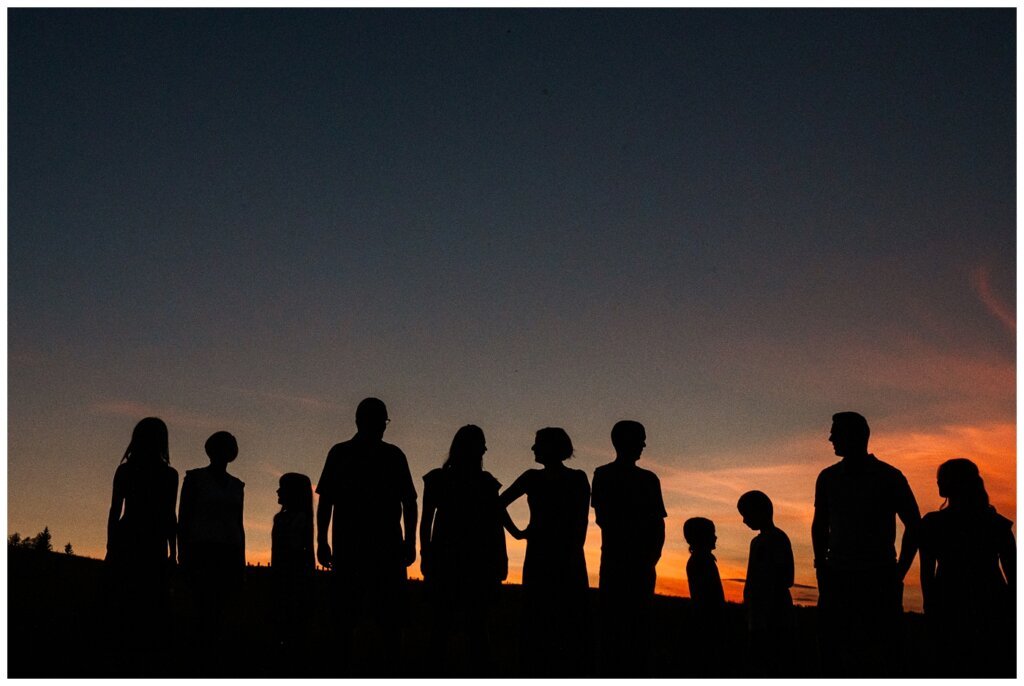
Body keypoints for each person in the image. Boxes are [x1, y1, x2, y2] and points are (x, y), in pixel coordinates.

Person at [812, 411, 920, 677]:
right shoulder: (827, 477)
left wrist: (898, 573)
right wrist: (821, 566)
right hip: (839, 576)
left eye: (835, 433)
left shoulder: (889, 476)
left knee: (881, 655)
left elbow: (915, 526)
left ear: (855, 436)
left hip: (878, 577)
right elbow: (819, 524)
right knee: (834, 653)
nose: (830, 438)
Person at [315, 398, 418, 673]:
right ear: (362, 421)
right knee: (350, 620)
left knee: (385, 621)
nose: (382, 427)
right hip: (357, 551)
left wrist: (410, 541)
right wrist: (321, 540)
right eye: (380, 421)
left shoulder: (391, 456)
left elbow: (409, 501)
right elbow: (326, 501)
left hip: (379, 551)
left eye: (383, 422)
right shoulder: (343, 454)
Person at [500, 427, 591, 676]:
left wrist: (519, 533)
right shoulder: (575, 479)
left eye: (537, 443)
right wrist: (517, 533)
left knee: (550, 619)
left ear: (552, 447)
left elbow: (497, 504)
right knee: (553, 620)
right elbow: (497, 504)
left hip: (552, 556)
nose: (533, 448)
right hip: (560, 556)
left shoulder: (539, 478)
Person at [419, 425, 508, 675]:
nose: (485, 449)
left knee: (460, 628)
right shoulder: (451, 480)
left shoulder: (448, 480)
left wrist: (427, 555)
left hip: (466, 562)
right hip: (460, 562)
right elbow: (426, 522)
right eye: (482, 444)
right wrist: (426, 555)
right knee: (464, 629)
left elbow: (494, 525)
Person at [919, 458, 1015, 677]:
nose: (937, 483)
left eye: (941, 478)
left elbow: (927, 573)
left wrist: (930, 606)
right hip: (988, 603)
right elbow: (1014, 576)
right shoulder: (997, 524)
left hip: (954, 602)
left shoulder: (933, 523)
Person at [591, 420, 666, 676]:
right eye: (640, 438)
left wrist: (651, 557)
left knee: (637, 629)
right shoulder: (604, 474)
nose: (644, 444)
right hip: (618, 563)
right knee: (616, 628)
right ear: (624, 441)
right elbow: (604, 517)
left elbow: (658, 524)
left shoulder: (647, 479)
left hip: (637, 564)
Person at [105, 417, 179, 646]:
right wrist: (173, 552)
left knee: (124, 598)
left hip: (129, 537)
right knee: (149, 600)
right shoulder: (169, 474)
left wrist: (111, 543)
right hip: (151, 540)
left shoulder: (126, 471)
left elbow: (115, 510)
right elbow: (169, 515)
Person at [178, 430, 246, 664]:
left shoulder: (237, 485)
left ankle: (215, 658)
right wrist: (182, 553)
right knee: (201, 605)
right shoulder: (194, 478)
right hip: (201, 550)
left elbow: (239, 523)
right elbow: (183, 518)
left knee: (220, 608)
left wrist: (241, 559)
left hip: (228, 551)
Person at [737, 490, 794, 676]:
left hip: (773, 613)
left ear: (761, 511)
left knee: (772, 663)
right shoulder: (757, 542)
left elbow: (786, 577)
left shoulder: (777, 538)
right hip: (758, 614)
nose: (744, 521)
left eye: (746, 515)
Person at [271, 472, 314, 658]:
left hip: (293, 575)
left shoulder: (297, 519)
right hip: (284, 574)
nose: (278, 491)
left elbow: (295, 548)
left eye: (283, 488)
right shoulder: (283, 518)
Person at [683, 516, 725, 677]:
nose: (715, 537)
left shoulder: (701, 559)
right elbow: (709, 597)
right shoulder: (701, 561)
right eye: (712, 533)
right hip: (708, 622)